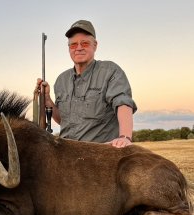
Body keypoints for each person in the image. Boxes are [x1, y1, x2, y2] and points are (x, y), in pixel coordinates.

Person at [36, 20, 137, 148]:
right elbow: (64, 120)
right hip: (65, 153)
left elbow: (123, 103)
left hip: (97, 153)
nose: (78, 48)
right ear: (69, 48)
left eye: (84, 43)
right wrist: (48, 101)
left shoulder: (110, 71)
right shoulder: (61, 80)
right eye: (73, 45)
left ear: (95, 45)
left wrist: (125, 137)